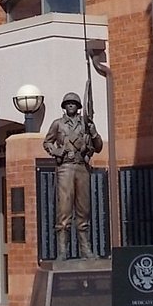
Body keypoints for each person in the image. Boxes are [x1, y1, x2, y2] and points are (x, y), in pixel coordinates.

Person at [42, 91, 103, 260]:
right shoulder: (58, 124)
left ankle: (86, 250)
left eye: (74, 103)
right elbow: (47, 142)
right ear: (64, 106)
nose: (71, 105)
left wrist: (94, 132)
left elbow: (98, 147)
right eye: (68, 103)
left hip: (81, 167)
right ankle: (62, 251)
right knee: (64, 210)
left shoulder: (86, 124)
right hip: (65, 168)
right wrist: (57, 151)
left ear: (78, 107)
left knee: (84, 210)